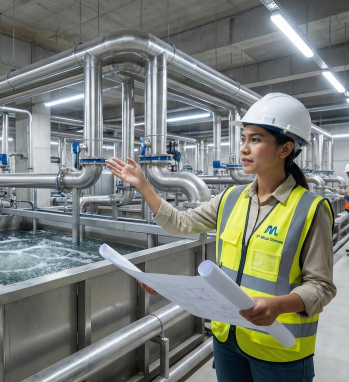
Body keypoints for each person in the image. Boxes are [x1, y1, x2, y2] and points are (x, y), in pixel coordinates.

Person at [107, 93, 336, 382]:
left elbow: (322, 287)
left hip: (278, 347)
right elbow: (181, 222)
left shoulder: (310, 209)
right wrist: (144, 186)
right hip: (228, 340)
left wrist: (277, 306)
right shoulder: (231, 198)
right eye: (243, 139)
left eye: (256, 139)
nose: (243, 148)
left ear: (285, 148)